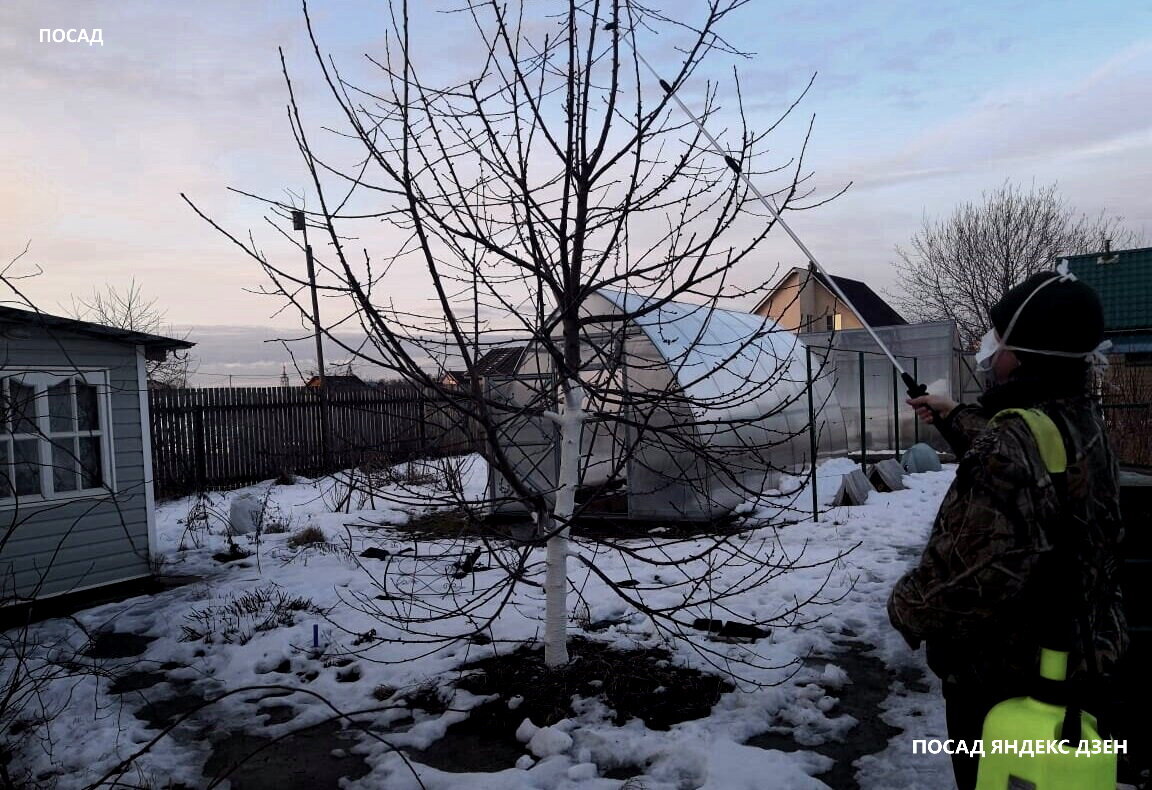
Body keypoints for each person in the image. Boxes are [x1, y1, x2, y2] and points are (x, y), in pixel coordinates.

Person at [888, 265, 1127, 790]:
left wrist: (906, 605)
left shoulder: (1009, 445)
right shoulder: (1082, 418)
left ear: (1023, 353)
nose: (988, 346)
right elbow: (1044, 463)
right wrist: (954, 417)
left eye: (999, 336)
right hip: (1075, 663)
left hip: (1003, 681)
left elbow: (970, 579)